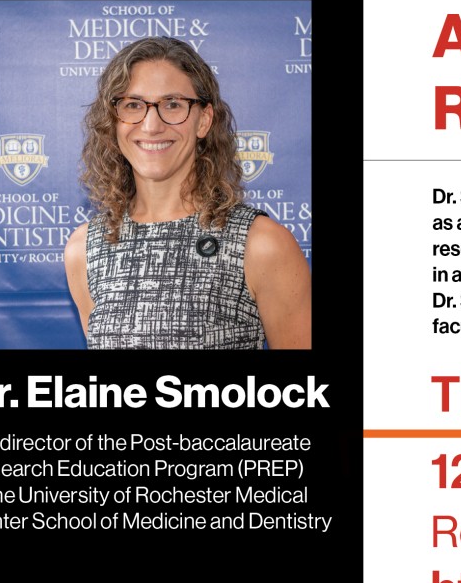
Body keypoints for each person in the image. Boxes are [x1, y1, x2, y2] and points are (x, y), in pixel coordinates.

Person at [63, 36, 311, 349]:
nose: (151, 125)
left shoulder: (261, 244)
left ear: (204, 120)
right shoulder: (84, 249)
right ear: (114, 120)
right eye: (133, 105)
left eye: (173, 104)